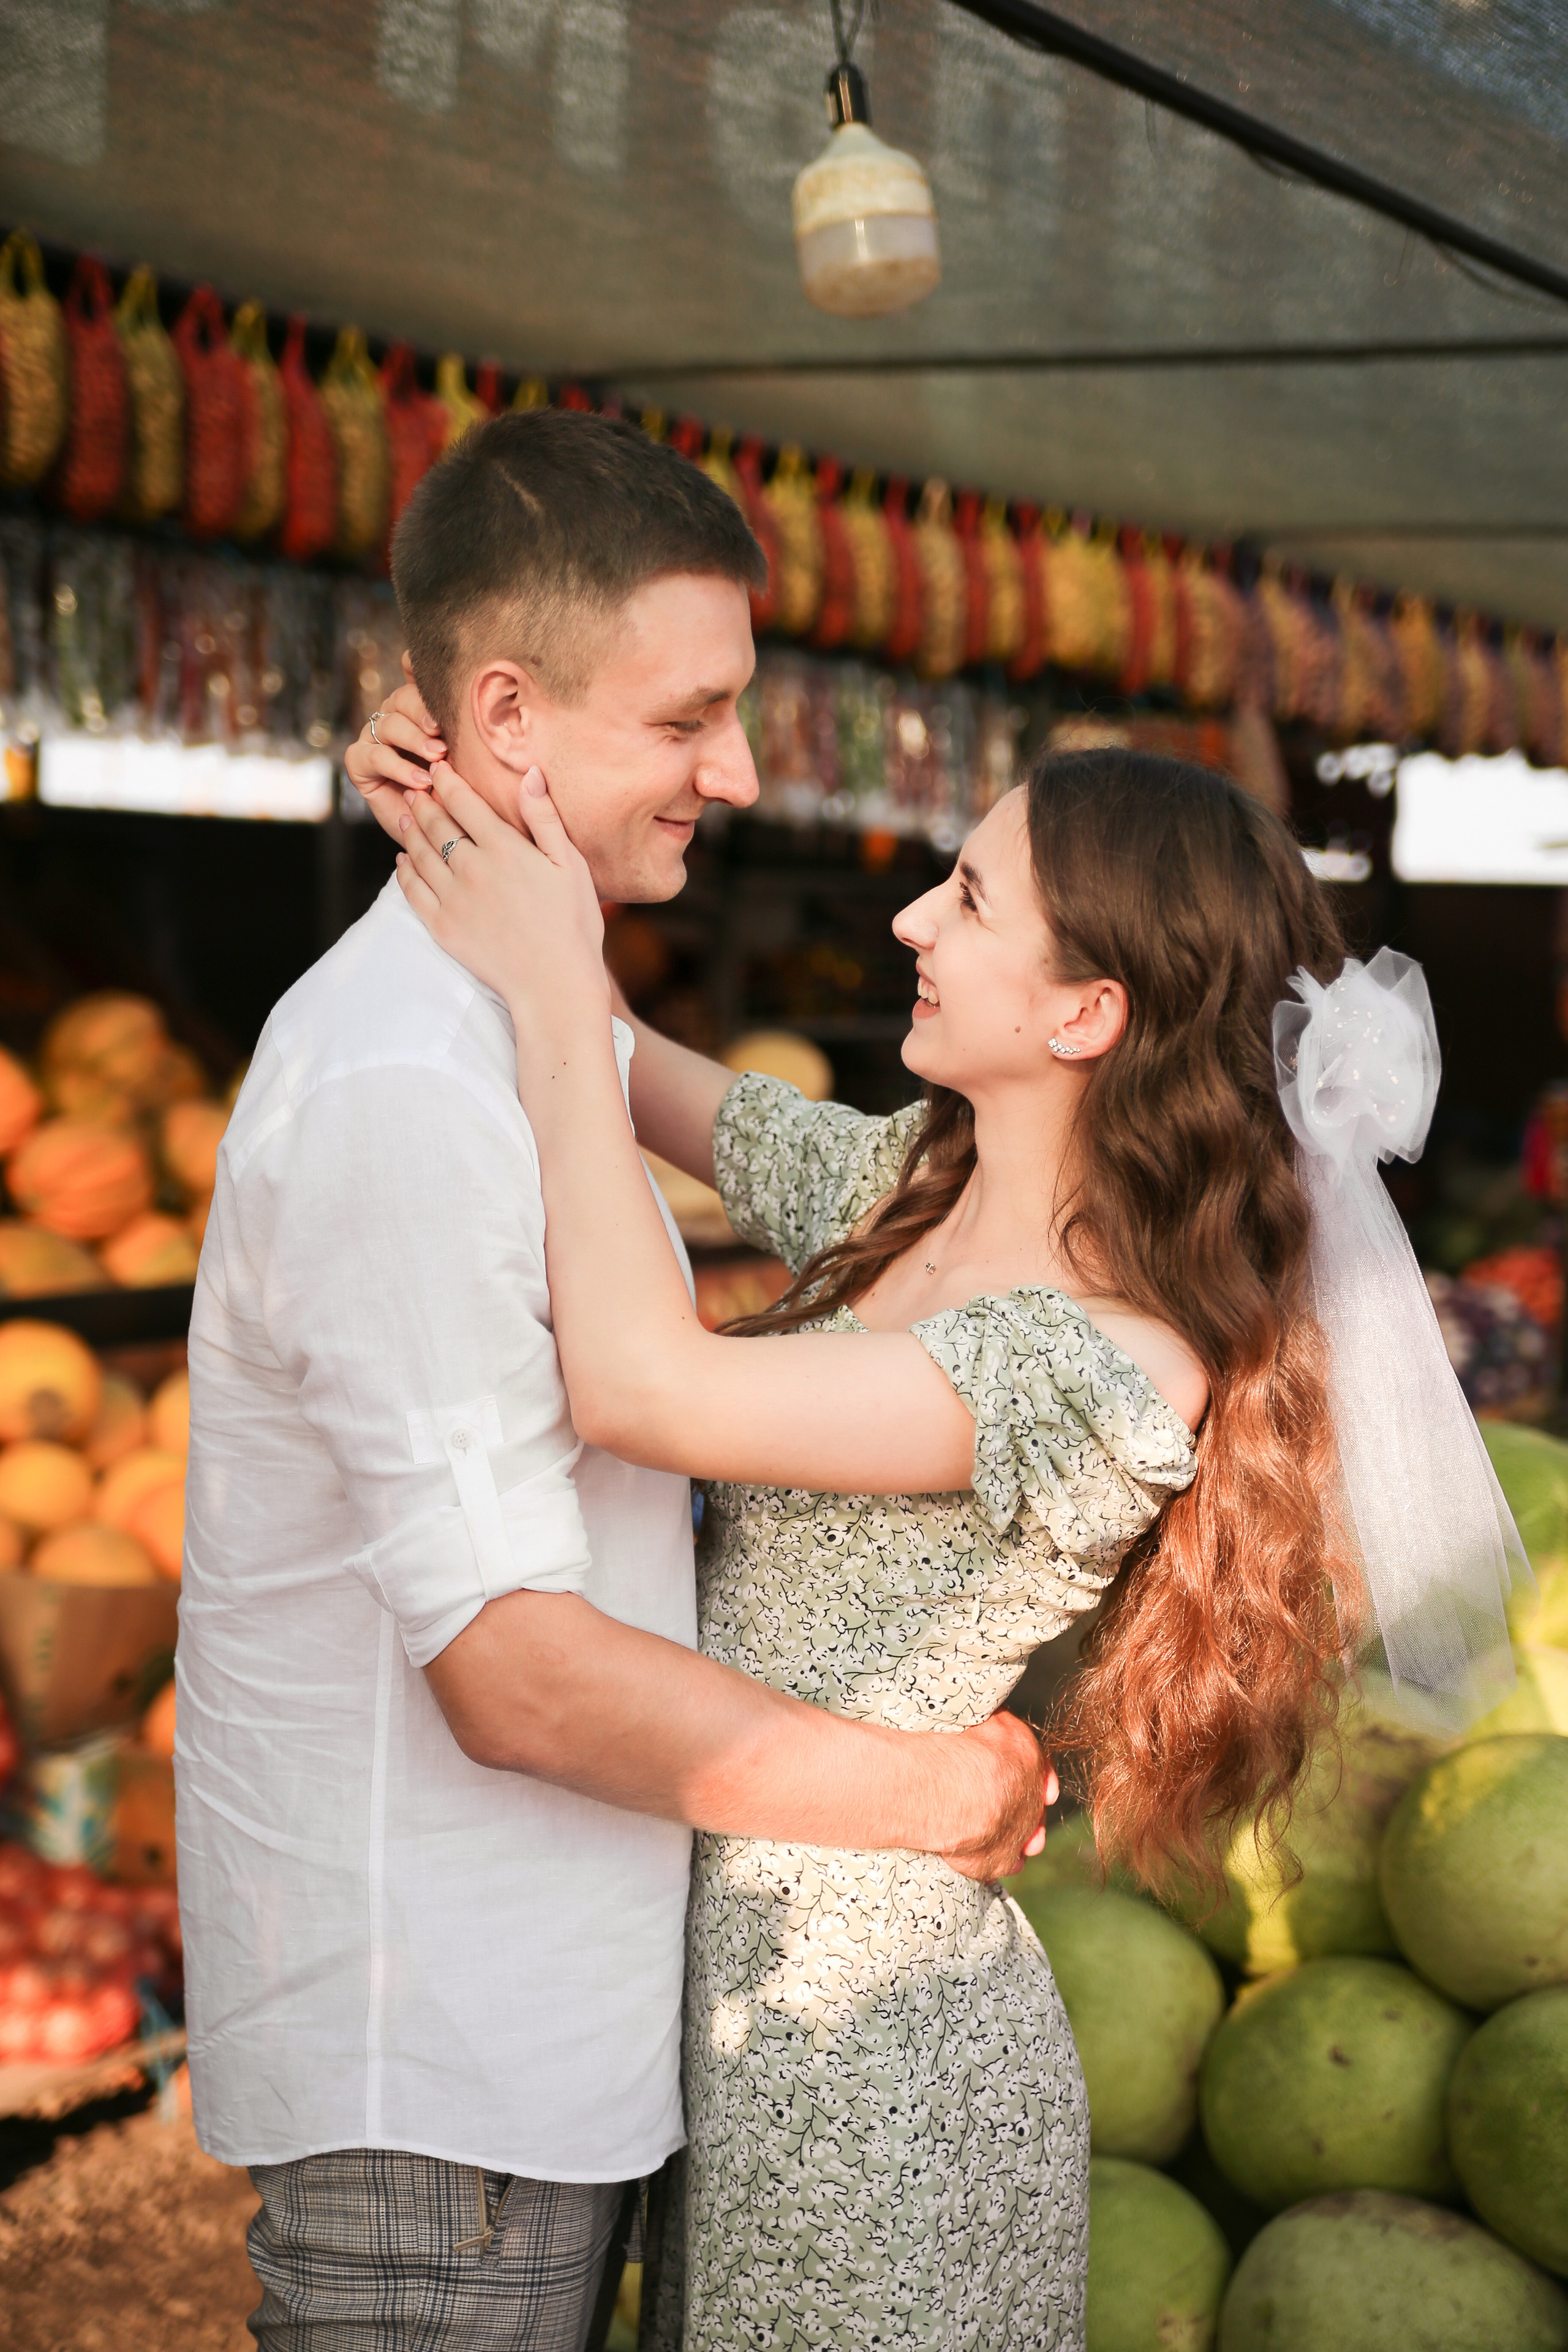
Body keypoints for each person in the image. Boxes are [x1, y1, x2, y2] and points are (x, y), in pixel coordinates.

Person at [176, 410, 1052, 2352]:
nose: (737, 772)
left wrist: (544, 942)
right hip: (445, 2071)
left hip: (529, 2046)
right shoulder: (412, 1089)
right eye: (688, 718)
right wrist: (927, 1794)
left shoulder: (507, 1034)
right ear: (505, 722)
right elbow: (511, 1668)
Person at [359, 728, 1367, 2350]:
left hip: (872, 2072)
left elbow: (638, 1386)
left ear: (1084, 1013)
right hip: (741, 2002)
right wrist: (446, 781)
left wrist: (560, 1003)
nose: (909, 920)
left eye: (967, 898)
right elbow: (608, 1051)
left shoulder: (1104, 1357)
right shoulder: (900, 1182)